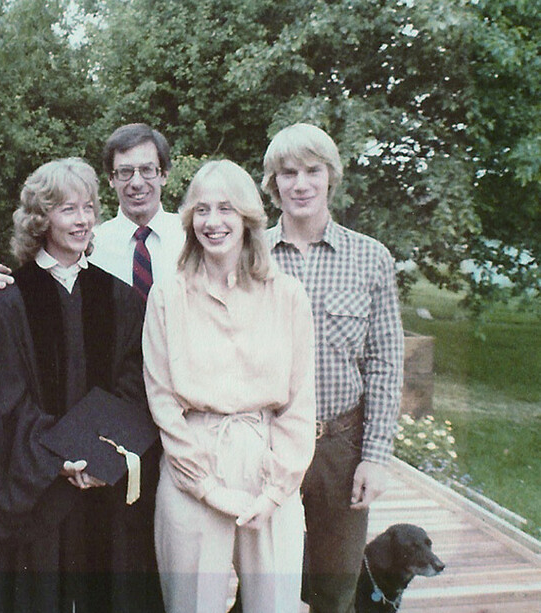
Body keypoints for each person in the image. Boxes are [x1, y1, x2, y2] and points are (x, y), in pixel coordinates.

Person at [0, 158, 165, 613]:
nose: (82, 219)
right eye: (67, 209)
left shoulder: (119, 298)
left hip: (105, 484)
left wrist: (101, 455)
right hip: (39, 489)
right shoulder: (9, 301)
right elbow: (4, 400)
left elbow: (135, 386)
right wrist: (60, 459)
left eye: (89, 207)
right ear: (41, 218)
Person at [143, 160, 316, 613]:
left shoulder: (288, 296)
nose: (213, 222)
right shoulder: (167, 297)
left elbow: (300, 405)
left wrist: (276, 491)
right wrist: (207, 487)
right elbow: (162, 401)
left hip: (268, 461)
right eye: (202, 210)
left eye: (225, 209)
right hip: (193, 467)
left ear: (248, 219)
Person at [261, 123, 405, 613]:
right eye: (288, 172)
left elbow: (386, 362)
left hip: (340, 445)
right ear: (273, 182)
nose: (300, 184)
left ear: (331, 178)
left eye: (312, 171)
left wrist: (376, 455)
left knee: (336, 589)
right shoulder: (248, 253)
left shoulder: (370, 258)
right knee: (264, 580)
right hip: (267, 438)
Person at [90, 123, 185, 300]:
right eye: (125, 172)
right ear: (111, 179)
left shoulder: (190, 238)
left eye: (147, 170)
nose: (137, 183)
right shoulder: (92, 247)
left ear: (163, 175)